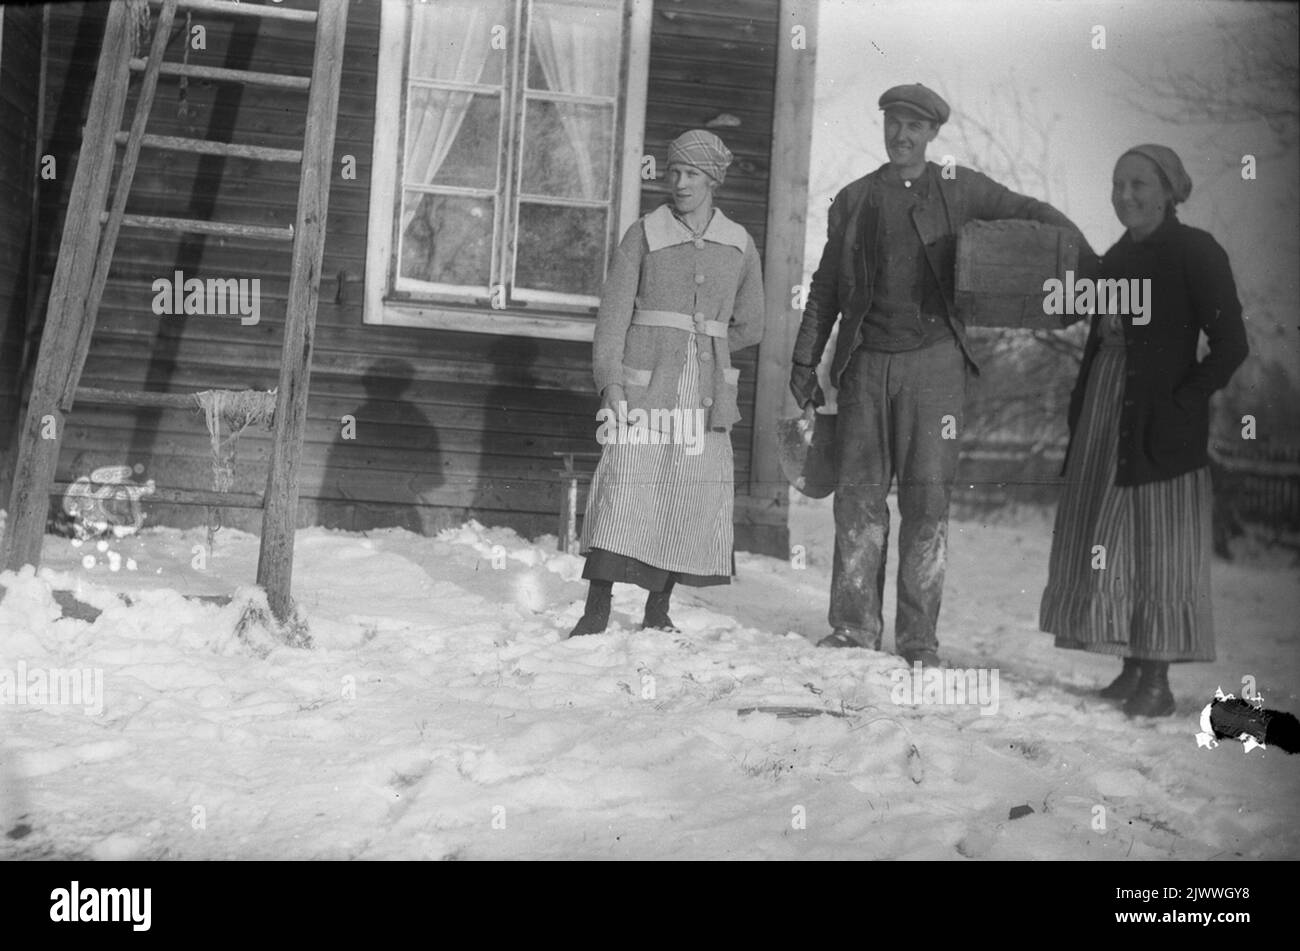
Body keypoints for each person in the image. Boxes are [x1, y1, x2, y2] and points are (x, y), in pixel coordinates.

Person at [789, 83, 1095, 666]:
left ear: (932, 134)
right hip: (864, 365)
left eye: (914, 126)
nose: (901, 136)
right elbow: (827, 286)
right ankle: (853, 628)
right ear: (883, 126)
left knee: (927, 503)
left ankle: (918, 642)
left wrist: (1084, 259)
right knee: (857, 500)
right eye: (893, 123)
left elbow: (1029, 212)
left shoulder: (961, 188)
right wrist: (806, 359)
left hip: (936, 367)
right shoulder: (854, 200)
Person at [1040, 144, 1248, 717]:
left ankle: (1156, 679)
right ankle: (1130, 666)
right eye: (1117, 184)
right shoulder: (1114, 256)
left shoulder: (1196, 252)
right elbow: (1095, 334)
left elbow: (1232, 345)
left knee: (1159, 545)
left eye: (1138, 184)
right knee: (1113, 540)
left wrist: (1184, 401)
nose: (1124, 195)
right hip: (1107, 416)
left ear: (1169, 190)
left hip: (1163, 425)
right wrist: (1083, 407)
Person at [567, 130, 765, 637]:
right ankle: (597, 609)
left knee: (686, 492)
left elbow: (752, 324)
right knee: (625, 486)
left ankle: (659, 609)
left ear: (713, 180)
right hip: (644, 387)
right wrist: (611, 381)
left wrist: (710, 343)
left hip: (704, 392)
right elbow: (612, 317)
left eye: (691, 174)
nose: (679, 183)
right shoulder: (645, 233)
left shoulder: (739, 244)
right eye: (673, 172)